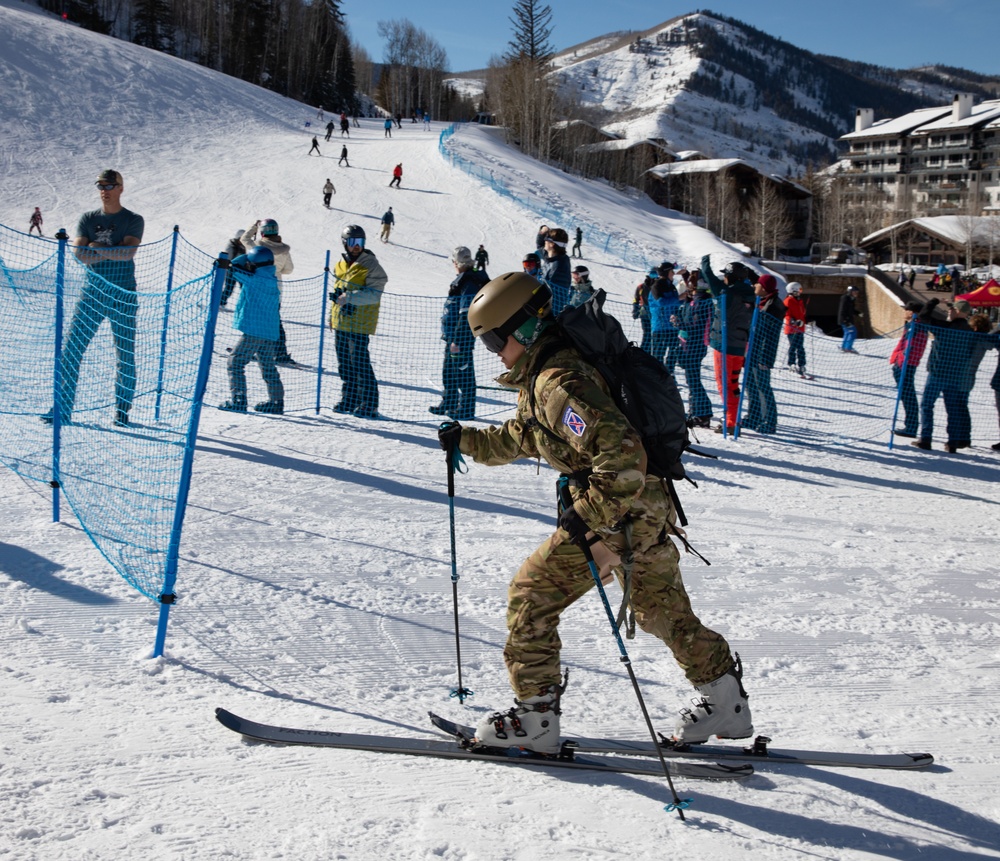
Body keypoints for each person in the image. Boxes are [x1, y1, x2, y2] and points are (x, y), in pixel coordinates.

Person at [437, 272, 752, 753]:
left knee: (532, 593)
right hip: (642, 507)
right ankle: (725, 699)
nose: (494, 352)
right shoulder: (549, 373)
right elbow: (522, 437)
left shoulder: (558, 381)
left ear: (520, 329)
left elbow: (623, 457)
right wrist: (468, 440)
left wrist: (587, 514)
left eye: (495, 340)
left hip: (621, 511)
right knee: (658, 609)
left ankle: (535, 718)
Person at [42, 169, 144, 427]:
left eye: (110, 185)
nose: (104, 190)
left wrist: (96, 249)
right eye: (101, 185)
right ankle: (62, 407)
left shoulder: (133, 219)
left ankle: (122, 410)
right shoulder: (87, 218)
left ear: (120, 188)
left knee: (125, 354)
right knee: (71, 350)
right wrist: (108, 251)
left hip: (123, 294)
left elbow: (127, 253)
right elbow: (79, 254)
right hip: (92, 293)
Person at [330, 224, 387, 418]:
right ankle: (350, 398)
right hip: (342, 322)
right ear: (345, 243)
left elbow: (375, 294)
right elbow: (338, 290)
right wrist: (332, 316)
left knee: (360, 362)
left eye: (360, 242)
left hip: (360, 323)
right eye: (353, 242)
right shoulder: (341, 263)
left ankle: (369, 403)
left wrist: (350, 297)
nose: (356, 246)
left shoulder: (371, 264)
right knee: (344, 363)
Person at [219, 247, 284, 415]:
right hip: (269, 333)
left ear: (255, 264)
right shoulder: (271, 278)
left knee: (235, 362)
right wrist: (252, 258)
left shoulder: (254, 278)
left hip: (254, 331)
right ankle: (276, 402)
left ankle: (239, 400)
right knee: (268, 366)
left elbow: (233, 265)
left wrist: (246, 258)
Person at [429, 246, 488, 420]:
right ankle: (449, 402)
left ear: (457, 263)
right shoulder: (464, 279)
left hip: (462, 335)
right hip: (454, 335)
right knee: (448, 370)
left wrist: (457, 340)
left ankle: (466, 408)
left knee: (463, 370)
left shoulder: (469, 282)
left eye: (454, 262)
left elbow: (466, 313)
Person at [700, 256, 755, 434]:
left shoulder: (728, 294)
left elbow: (710, 279)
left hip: (723, 346)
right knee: (733, 384)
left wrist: (705, 262)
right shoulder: (749, 295)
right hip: (739, 346)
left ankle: (730, 422)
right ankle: (734, 420)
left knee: (724, 385)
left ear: (731, 277)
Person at [912, 299, 973, 453]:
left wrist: (934, 301)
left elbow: (924, 316)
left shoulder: (945, 327)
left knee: (927, 405)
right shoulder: (970, 332)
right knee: (952, 409)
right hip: (955, 375)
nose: (949, 312)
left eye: (952, 310)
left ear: (958, 311)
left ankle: (925, 438)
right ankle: (952, 442)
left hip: (937, 372)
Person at [241, 219, 295, 365]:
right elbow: (289, 269)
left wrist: (254, 227)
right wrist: (277, 270)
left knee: (256, 318)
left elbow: (244, 239)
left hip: (258, 287)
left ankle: (250, 350)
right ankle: (280, 352)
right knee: (274, 319)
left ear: (263, 231)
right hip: (276, 288)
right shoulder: (284, 249)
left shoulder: (258, 245)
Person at [742, 274, 785, 435]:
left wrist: (764, 357)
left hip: (762, 353)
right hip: (753, 350)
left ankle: (769, 421)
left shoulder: (774, 305)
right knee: (750, 385)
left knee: (762, 387)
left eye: (758, 284)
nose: (755, 286)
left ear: (764, 287)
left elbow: (769, 335)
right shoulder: (761, 302)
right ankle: (754, 417)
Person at [676, 281, 714, 427]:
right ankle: (696, 411)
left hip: (695, 346)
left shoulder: (702, 303)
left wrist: (680, 323)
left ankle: (703, 413)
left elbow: (696, 326)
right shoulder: (693, 302)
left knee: (693, 380)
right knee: (691, 380)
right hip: (688, 344)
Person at [888, 301, 928, 438]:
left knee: (908, 394)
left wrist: (901, 358)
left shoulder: (916, 326)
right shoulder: (913, 325)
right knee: (906, 394)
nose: (904, 312)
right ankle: (910, 425)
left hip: (906, 363)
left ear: (912, 312)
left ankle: (911, 426)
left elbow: (911, 345)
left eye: (906, 310)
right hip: (903, 362)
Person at [647, 262, 681, 377]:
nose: (673, 274)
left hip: (672, 326)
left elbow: (675, 302)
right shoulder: (657, 285)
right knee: (658, 354)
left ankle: (669, 375)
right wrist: (678, 298)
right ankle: (656, 377)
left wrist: (684, 299)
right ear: (666, 272)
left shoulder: (671, 286)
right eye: (672, 271)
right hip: (660, 326)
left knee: (673, 351)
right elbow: (661, 302)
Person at [540, 227, 571, 315]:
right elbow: (540, 246)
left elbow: (555, 294)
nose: (544, 241)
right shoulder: (552, 258)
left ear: (552, 244)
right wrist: (541, 233)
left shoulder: (558, 266)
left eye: (547, 239)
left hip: (550, 312)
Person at [783, 282, 807, 376]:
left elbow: (802, 314)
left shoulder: (799, 301)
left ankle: (802, 364)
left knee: (800, 347)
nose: (800, 292)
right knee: (793, 346)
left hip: (800, 328)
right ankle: (791, 363)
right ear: (794, 291)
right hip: (792, 328)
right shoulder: (788, 301)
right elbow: (787, 315)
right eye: (799, 290)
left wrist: (805, 320)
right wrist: (794, 322)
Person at [219, 228, 246, 308]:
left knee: (244, 287)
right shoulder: (231, 246)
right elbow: (228, 258)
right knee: (229, 288)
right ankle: (221, 303)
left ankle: (244, 304)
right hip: (231, 270)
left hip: (241, 270)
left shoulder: (243, 247)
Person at [631, 270, 654, 354]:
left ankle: (648, 352)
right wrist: (635, 310)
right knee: (647, 333)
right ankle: (643, 352)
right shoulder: (641, 287)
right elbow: (636, 299)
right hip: (644, 313)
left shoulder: (657, 286)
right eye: (652, 274)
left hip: (654, 314)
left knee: (652, 335)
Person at [838, 286, 860, 353]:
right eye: (854, 291)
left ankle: (844, 347)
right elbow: (842, 310)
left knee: (847, 333)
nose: (856, 293)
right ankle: (848, 348)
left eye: (857, 292)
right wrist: (845, 320)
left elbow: (851, 310)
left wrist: (858, 313)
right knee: (853, 332)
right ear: (850, 291)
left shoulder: (851, 299)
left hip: (847, 319)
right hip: (845, 320)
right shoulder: (845, 298)